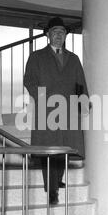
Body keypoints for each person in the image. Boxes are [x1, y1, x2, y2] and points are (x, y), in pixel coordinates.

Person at [23, 17, 89, 205]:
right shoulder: (36, 57)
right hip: (47, 108)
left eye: (62, 32)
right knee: (49, 146)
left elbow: (80, 83)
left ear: (66, 36)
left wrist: (83, 103)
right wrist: (43, 98)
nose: (59, 35)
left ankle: (57, 179)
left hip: (68, 108)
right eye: (55, 32)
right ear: (48, 35)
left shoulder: (74, 59)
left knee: (65, 145)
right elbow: (29, 80)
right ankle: (51, 188)